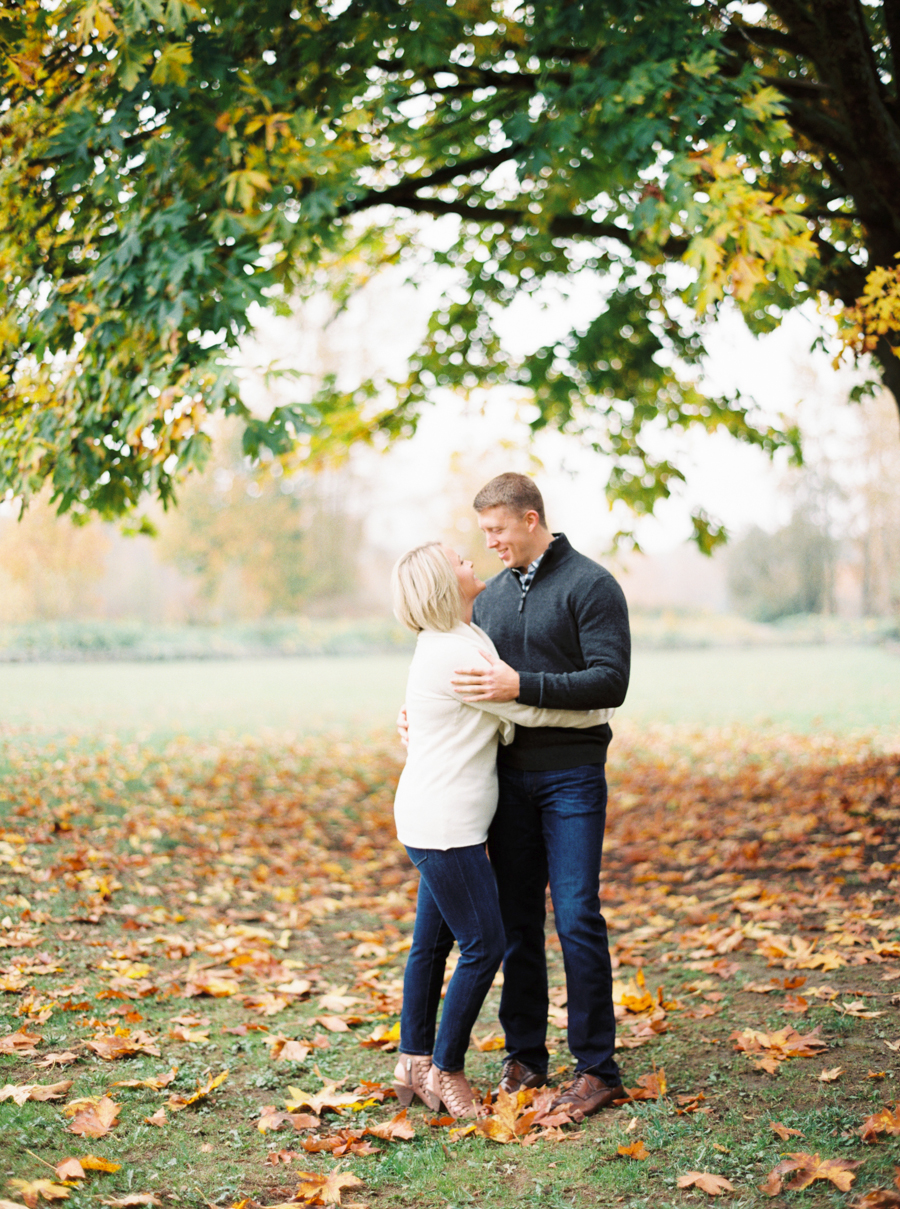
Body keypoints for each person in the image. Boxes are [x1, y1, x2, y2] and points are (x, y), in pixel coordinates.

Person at [390, 541, 613, 1120]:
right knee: (484, 944)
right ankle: (444, 1067)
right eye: (461, 556)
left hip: (451, 816)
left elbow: (494, 716)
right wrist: (594, 714)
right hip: (442, 820)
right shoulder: (453, 651)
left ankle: (413, 1058)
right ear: (445, 582)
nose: (476, 556)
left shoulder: (465, 636)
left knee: (434, 941)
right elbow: (518, 712)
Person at [450, 473, 630, 1121]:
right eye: (485, 532)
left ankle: (598, 1069)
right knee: (517, 919)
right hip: (507, 779)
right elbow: (467, 682)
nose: (491, 542)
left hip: (573, 775)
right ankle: (525, 1055)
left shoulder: (591, 585)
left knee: (578, 915)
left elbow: (610, 680)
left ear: (531, 519)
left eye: (498, 529)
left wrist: (520, 682)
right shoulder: (491, 599)